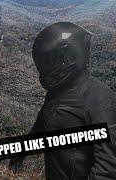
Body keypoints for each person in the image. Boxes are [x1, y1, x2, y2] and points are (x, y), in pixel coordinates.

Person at [10, 22, 116, 180]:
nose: (46, 70)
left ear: (68, 59)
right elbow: (42, 125)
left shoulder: (99, 98)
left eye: (51, 62)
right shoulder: (56, 92)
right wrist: (20, 154)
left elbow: (108, 167)